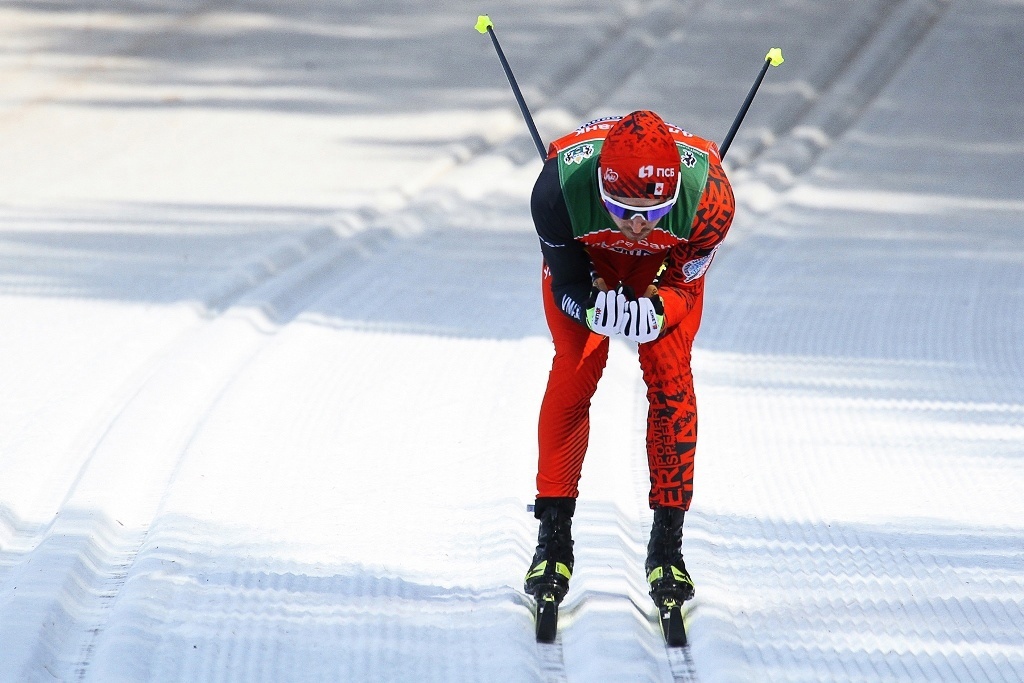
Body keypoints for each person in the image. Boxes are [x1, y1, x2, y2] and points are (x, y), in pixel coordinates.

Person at [524, 110, 735, 610]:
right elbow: (567, 284)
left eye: (656, 211)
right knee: (576, 367)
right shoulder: (556, 190)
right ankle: (552, 540)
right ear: (599, 187)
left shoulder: (711, 200)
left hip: (665, 269)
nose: (638, 225)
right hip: (590, 261)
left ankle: (668, 547)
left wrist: (662, 307)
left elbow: (685, 285)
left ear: (676, 193)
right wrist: (591, 304)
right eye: (621, 208)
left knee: (671, 374)